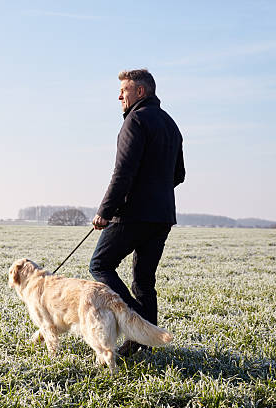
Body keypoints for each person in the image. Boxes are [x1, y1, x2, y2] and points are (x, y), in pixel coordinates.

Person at [89, 69, 185, 357]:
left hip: (133, 214)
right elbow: (178, 174)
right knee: (144, 280)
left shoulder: (135, 120)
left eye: (124, 90)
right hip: (163, 215)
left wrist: (105, 211)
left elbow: (123, 173)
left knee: (100, 265)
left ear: (140, 92)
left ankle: (137, 325)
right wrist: (156, 190)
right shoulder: (170, 124)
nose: (120, 95)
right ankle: (145, 341)